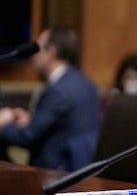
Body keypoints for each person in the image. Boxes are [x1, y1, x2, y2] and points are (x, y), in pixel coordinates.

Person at [0, 27, 100, 170]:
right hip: (81, 170)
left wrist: (3, 124)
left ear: (50, 53)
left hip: (56, 174)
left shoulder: (59, 90)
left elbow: (28, 137)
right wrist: (30, 121)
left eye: (37, 49)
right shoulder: (85, 83)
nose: (33, 56)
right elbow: (59, 127)